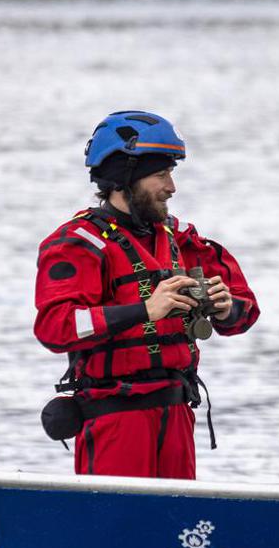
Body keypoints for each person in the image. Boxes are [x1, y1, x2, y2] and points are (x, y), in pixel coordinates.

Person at [34, 110, 259, 479]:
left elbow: (246, 313)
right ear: (124, 178)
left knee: (178, 526)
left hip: (177, 414)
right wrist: (144, 310)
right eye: (160, 175)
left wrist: (224, 308)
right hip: (115, 420)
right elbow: (54, 328)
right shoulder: (77, 244)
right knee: (118, 528)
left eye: (171, 173)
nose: (172, 187)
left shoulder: (182, 238)